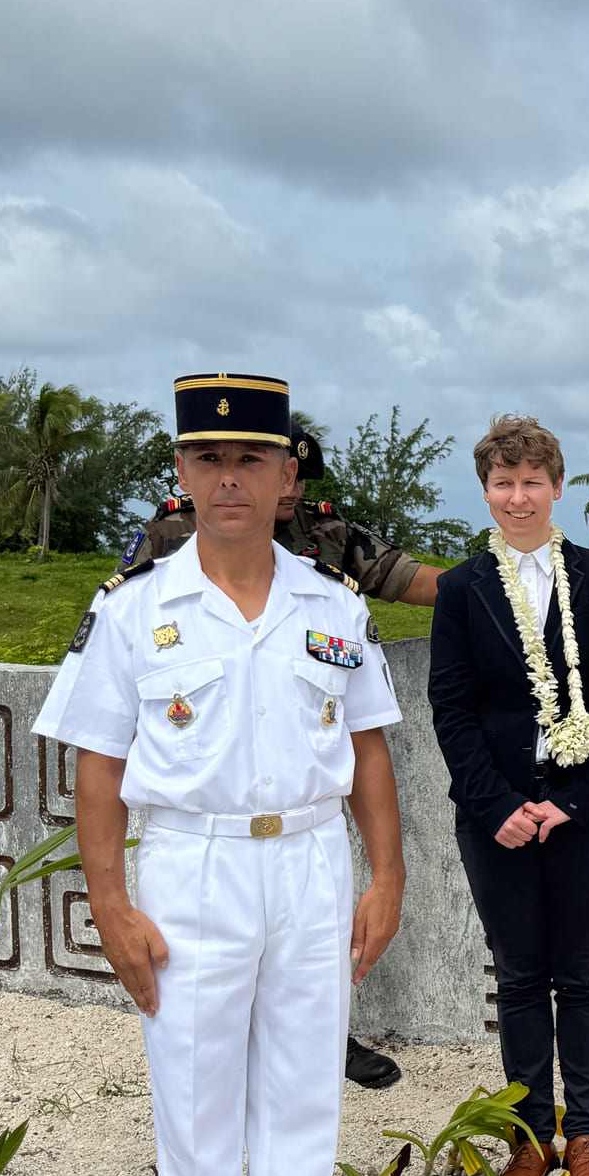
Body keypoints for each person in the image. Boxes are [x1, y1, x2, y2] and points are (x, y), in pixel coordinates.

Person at [33, 372, 406, 1176]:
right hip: (192, 872)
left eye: (252, 459)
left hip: (313, 865)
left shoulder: (333, 604)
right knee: (195, 1106)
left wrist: (388, 877)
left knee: (300, 1100)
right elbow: (100, 766)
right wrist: (108, 902)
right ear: (182, 472)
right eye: (210, 458)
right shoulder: (133, 611)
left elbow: (369, 751)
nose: (230, 477)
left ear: (288, 478)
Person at [123, 420, 432, 1091]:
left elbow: (406, 578)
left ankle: (332, 1039)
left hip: (307, 803)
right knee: (200, 1068)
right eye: (216, 460)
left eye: (272, 469)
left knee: (306, 1030)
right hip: (202, 826)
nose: (249, 483)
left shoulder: (327, 543)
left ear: (292, 476)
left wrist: (511, 582)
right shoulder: (171, 536)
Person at [429, 415, 589, 1176]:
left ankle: (584, 1133)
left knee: (583, 972)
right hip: (498, 816)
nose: (517, 497)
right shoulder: (460, 589)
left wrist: (576, 801)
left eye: (531, 482)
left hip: (587, 809)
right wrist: (497, 806)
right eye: (502, 483)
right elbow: (449, 708)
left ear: (556, 486)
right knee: (519, 975)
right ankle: (529, 1139)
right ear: (485, 489)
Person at [123, 419, 443, 608]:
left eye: (299, 479)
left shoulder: (325, 528)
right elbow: (124, 604)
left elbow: (413, 581)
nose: (292, 491)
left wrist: (491, 584)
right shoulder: (171, 528)